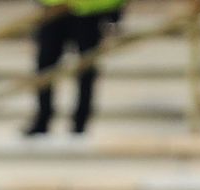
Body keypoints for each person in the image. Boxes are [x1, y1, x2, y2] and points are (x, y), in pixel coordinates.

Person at [24, 0, 127, 136]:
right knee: (45, 67)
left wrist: (113, 14)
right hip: (54, 9)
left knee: (86, 70)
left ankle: (80, 123)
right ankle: (43, 119)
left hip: (89, 12)